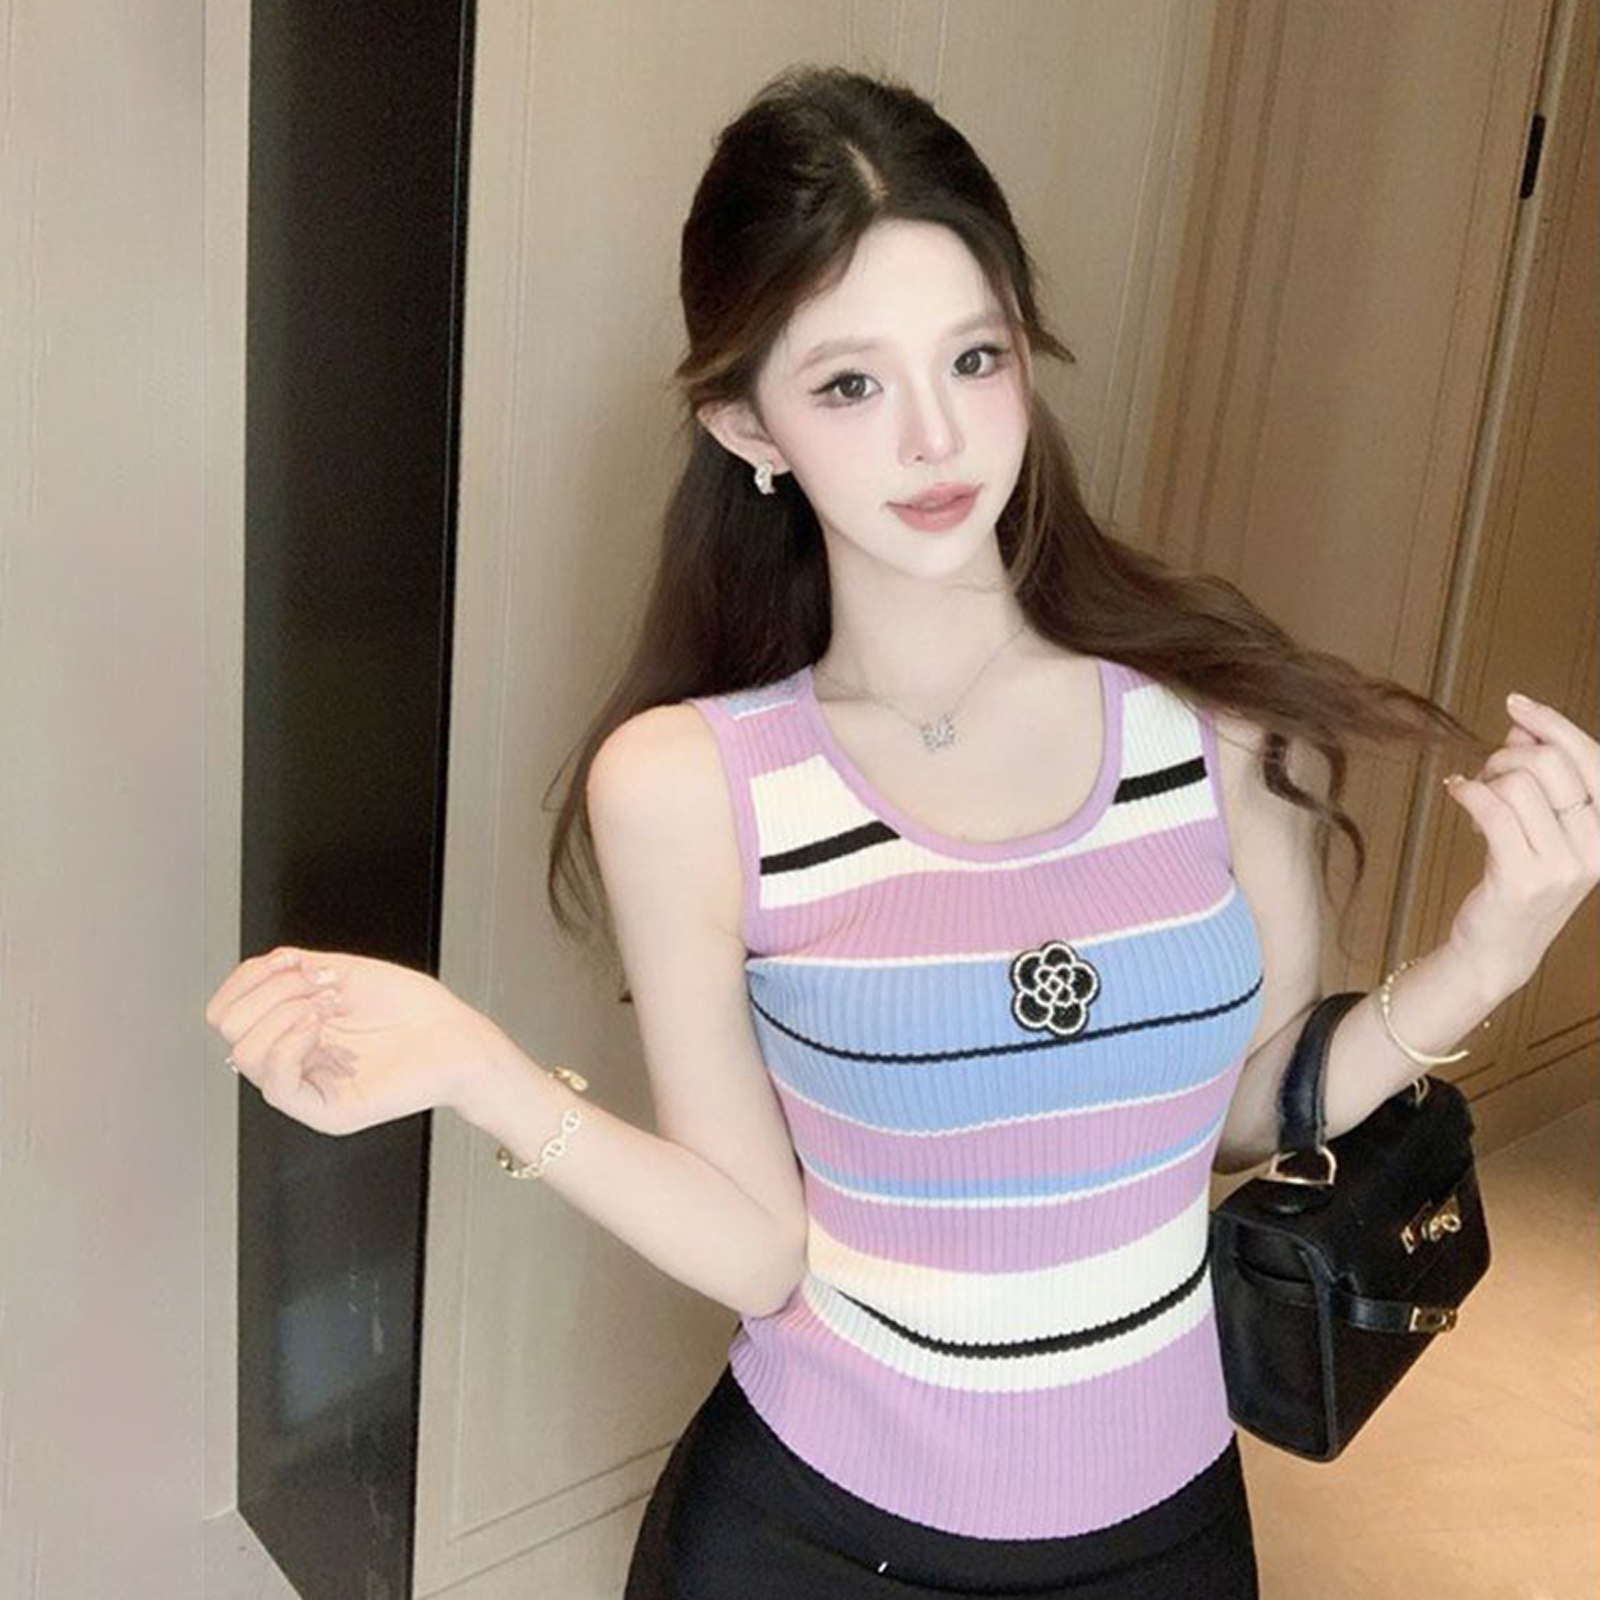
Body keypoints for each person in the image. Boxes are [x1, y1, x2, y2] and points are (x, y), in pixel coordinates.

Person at [205, 64, 1599, 1600]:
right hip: (809, 1539)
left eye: (974, 357)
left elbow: (1242, 1114)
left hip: (1172, 1528)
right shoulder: (690, 784)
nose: (936, 437)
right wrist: (481, 1069)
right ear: (748, 424)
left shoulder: (1210, 722)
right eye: (850, 385)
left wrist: (1485, 958)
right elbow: (761, 1251)